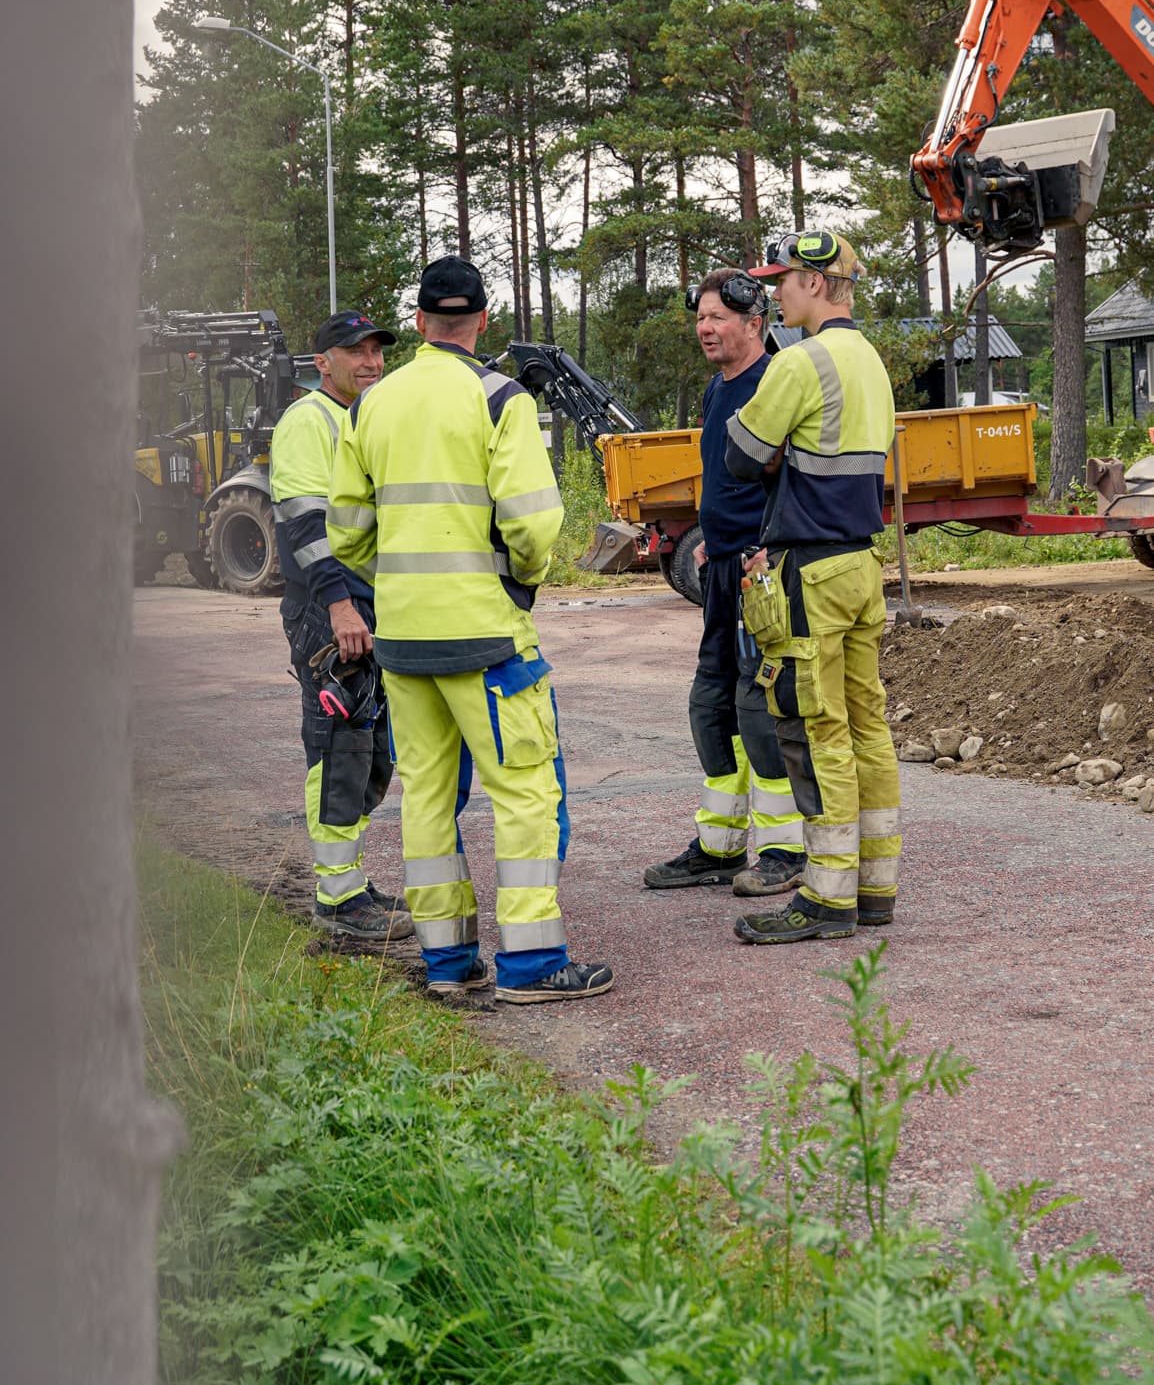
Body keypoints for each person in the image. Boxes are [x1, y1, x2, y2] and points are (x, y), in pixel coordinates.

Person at [326, 256, 613, 1004]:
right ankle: (532, 966)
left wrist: (396, 578)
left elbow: (347, 531)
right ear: (484, 320)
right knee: (523, 794)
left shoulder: (369, 406)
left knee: (425, 797)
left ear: (418, 323)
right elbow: (534, 521)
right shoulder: (499, 397)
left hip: (403, 639)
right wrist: (519, 577)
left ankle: (448, 965)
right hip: (486, 636)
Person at [724, 231, 902, 943]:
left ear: (818, 284)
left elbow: (741, 456)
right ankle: (874, 886)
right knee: (868, 724)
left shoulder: (800, 362)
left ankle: (827, 897)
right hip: (862, 564)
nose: (775, 295)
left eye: (784, 283)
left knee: (814, 726)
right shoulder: (872, 363)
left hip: (811, 571)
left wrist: (772, 456)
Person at [643, 268, 803, 895]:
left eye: (718, 318)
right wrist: (714, 535)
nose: (705, 328)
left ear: (755, 323)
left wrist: (765, 546)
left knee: (758, 708)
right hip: (722, 571)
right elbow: (726, 474)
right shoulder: (718, 389)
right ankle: (720, 846)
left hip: (761, 576)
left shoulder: (775, 383)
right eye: (701, 318)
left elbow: (794, 479)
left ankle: (787, 851)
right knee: (710, 707)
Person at [269, 309, 413, 942]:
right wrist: (339, 605)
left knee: (370, 749)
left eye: (377, 351)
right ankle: (337, 899)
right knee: (338, 744)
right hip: (329, 612)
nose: (371, 361)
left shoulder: (366, 417)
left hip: (366, 606)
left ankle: (350, 879)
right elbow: (302, 523)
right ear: (322, 362)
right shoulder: (309, 421)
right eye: (356, 351)